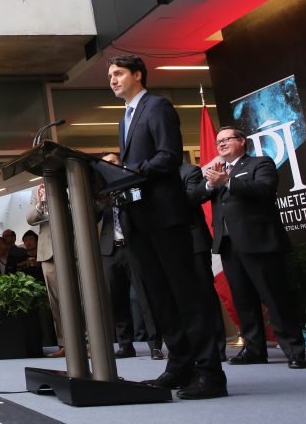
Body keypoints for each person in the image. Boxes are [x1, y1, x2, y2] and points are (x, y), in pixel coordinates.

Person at [108, 54, 226, 399]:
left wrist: (134, 172)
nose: (113, 80)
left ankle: (209, 373)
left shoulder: (157, 107)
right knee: (159, 296)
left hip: (165, 215)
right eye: (110, 75)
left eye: (118, 73)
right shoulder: (124, 119)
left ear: (138, 74)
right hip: (139, 218)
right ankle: (179, 365)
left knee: (185, 294)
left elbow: (170, 155)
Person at [192, 126, 306, 369]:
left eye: (226, 139)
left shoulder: (260, 163)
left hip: (259, 242)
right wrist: (212, 184)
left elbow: (265, 190)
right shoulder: (216, 170)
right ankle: (254, 348)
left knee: (274, 297)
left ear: (242, 141)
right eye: (218, 141)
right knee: (244, 299)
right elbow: (196, 195)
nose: (221, 144)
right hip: (228, 244)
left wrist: (228, 181)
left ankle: (294, 350)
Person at [99, 152, 164, 360]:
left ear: (121, 164)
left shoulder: (133, 182)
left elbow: (137, 206)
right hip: (110, 250)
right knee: (116, 300)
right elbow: (92, 213)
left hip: (134, 246)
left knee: (144, 297)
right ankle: (125, 345)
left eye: (113, 162)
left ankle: (155, 343)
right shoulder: (100, 190)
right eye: (105, 164)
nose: (110, 166)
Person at [180, 162, 228, 361]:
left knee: (204, 293)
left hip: (194, 241)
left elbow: (193, 198)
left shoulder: (188, 171)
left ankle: (218, 346)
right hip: (168, 244)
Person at [27, 183, 65, 357]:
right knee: (56, 301)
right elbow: (30, 219)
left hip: (75, 248)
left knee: (81, 298)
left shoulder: (72, 179)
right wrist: (40, 204)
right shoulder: (38, 190)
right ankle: (65, 344)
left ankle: (87, 342)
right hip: (48, 252)